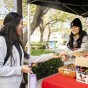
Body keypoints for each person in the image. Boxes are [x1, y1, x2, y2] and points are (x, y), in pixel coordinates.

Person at [0, 12, 60, 88]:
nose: (22, 27)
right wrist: (20, 68)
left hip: (19, 84)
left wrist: (52, 55)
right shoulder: (2, 40)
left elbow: (30, 58)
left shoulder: (16, 42)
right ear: (13, 24)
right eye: (21, 24)